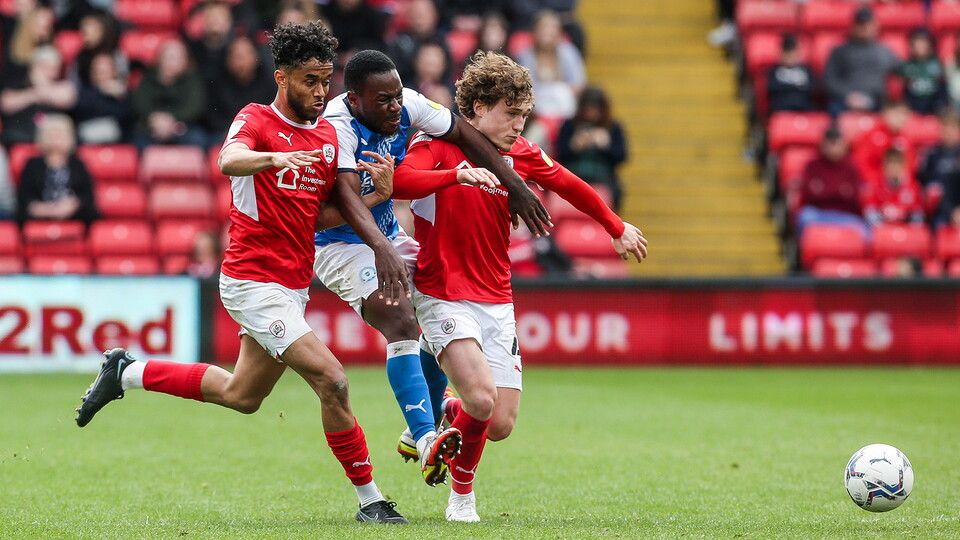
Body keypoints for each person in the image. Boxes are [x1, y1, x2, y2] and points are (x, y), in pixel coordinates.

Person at [74, 21, 408, 525]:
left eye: (325, 82)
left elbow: (318, 218)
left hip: (292, 286)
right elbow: (229, 160)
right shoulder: (254, 119)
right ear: (281, 78)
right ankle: (372, 501)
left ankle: (128, 372)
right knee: (332, 380)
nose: (320, 93)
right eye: (309, 81)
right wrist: (272, 157)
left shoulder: (325, 137)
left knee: (242, 395)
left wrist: (378, 195)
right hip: (252, 282)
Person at [391, 51, 647, 522]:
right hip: (441, 290)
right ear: (477, 108)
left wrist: (614, 226)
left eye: (524, 115)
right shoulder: (438, 144)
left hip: (496, 297)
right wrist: (456, 176)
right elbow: (400, 182)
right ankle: (461, 497)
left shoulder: (521, 154)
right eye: (510, 114)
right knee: (483, 400)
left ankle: (444, 409)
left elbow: (570, 184)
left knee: (501, 424)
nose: (518, 125)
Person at [313, 50, 552, 486]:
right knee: (399, 315)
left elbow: (462, 132)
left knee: (436, 289)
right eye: (382, 100)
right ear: (354, 98)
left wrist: (513, 182)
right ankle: (425, 439)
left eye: (397, 97)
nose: (395, 108)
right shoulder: (337, 127)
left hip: (385, 230)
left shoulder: (408, 103)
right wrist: (382, 244)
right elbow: (345, 200)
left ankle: (434, 411)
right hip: (341, 244)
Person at [16, 114, 99, 226]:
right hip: (39, 218)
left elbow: (87, 196)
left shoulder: (78, 164)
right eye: (51, 135)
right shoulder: (32, 164)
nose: (55, 139)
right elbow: (24, 197)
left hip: (75, 217)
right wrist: (42, 209)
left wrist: (73, 205)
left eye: (60, 135)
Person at [556, 85, 627, 211]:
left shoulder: (613, 127)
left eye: (595, 109)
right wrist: (574, 146)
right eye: (588, 109)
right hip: (574, 176)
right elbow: (559, 155)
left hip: (603, 178)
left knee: (616, 192)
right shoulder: (569, 125)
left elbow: (621, 157)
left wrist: (606, 145)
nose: (591, 113)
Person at [792, 125, 868, 238]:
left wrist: (824, 190)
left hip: (845, 215)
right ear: (823, 144)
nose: (833, 148)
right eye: (830, 143)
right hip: (818, 213)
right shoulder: (813, 166)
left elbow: (854, 197)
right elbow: (809, 195)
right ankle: (802, 254)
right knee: (804, 217)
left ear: (844, 144)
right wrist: (840, 191)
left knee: (866, 232)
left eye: (836, 143)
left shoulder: (852, 167)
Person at [130, 38, 208, 149]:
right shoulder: (148, 78)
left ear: (185, 61)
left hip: (183, 127)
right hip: (151, 127)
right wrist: (154, 119)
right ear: (159, 59)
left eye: (177, 58)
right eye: (169, 57)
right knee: (136, 141)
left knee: (197, 138)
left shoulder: (192, 80)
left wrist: (172, 120)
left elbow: (194, 107)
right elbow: (139, 104)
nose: (172, 62)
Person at [823, 6, 900, 116]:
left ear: (875, 25)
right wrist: (848, 96)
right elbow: (829, 81)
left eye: (867, 24)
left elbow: (903, 70)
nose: (864, 28)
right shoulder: (840, 51)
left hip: (877, 102)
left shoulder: (885, 52)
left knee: (894, 113)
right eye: (860, 24)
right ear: (853, 26)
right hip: (844, 101)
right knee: (832, 112)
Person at [0, 45, 78, 146]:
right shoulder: (17, 84)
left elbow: (68, 98)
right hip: (18, 138)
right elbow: (5, 104)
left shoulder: (63, 86)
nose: (47, 71)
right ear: (32, 66)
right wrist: (34, 94)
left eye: (51, 67)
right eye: (43, 66)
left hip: (53, 143)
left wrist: (40, 85)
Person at [517, 9, 586, 120]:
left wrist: (557, 90)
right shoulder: (525, 55)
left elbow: (578, 84)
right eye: (543, 28)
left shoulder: (569, 52)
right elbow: (523, 87)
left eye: (552, 28)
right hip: (535, 109)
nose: (547, 33)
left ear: (559, 32)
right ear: (535, 31)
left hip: (564, 108)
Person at [75, 51, 131, 144]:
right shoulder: (84, 92)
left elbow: (126, 116)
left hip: (118, 139)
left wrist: (122, 97)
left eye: (104, 72)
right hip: (87, 137)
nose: (100, 76)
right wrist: (101, 91)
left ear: (114, 72)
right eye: (97, 72)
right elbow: (81, 110)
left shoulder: (123, 94)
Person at [864, 147, 924, 227]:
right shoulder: (877, 186)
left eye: (897, 163)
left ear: (904, 165)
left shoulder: (912, 186)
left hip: (906, 229)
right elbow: (870, 212)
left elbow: (917, 214)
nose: (894, 167)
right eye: (891, 163)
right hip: (883, 229)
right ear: (884, 166)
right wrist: (881, 228)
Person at [899, 28, 946, 115]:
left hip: (933, 109)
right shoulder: (907, 66)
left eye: (924, 42)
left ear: (930, 44)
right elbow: (904, 92)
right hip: (913, 108)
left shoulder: (938, 64)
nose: (920, 45)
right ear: (911, 45)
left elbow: (942, 89)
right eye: (917, 42)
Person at [766, 33, 814, 114]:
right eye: (787, 54)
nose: (790, 58)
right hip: (782, 106)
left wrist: (787, 87)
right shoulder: (774, 71)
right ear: (781, 54)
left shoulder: (806, 70)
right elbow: (772, 88)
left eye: (793, 54)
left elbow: (812, 89)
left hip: (803, 106)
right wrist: (798, 87)